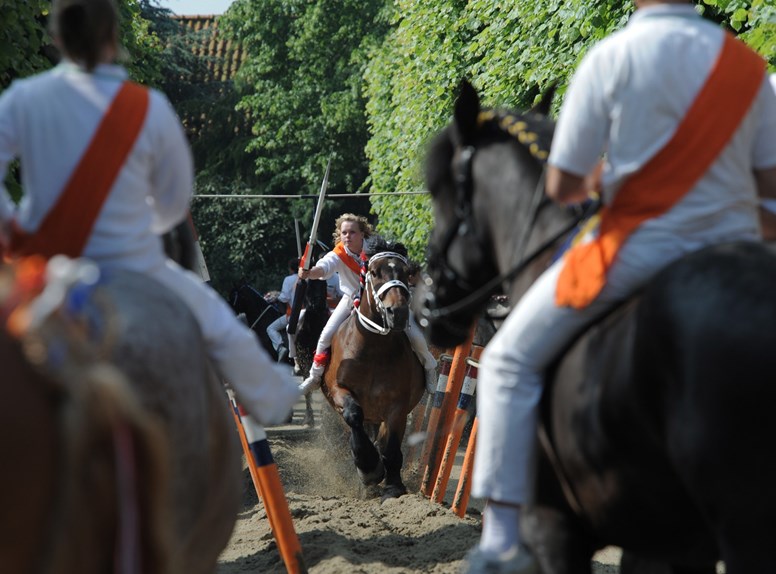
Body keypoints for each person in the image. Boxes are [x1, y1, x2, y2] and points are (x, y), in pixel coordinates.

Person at [464, 1, 776, 573]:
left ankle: (501, 543)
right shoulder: (746, 64)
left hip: (641, 246)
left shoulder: (612, 57)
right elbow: (770, 183)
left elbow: (563, 186)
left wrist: (609, 177)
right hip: (737, 245)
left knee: (506, 361)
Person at [0, 0, 300, 427]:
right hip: (128, 261)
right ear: (112, 38)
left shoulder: (22, 99)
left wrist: (15, 231)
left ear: (57, 38)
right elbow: (173, 203)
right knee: (214, 318)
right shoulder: (148, 107)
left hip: (43, 263)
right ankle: (271, 397)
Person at [297, 213, 438, 394]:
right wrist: (309, 272)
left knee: (416, 337)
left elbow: (396, 261)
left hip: (383, 299)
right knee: (326, 335)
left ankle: (429, 367)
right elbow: (323, 268)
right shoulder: (338, 254)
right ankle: (315, 376)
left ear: (362, 234)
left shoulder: (376, 249)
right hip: (351, 299)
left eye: (352, 232)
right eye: (344, 233)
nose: (347, 236)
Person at [266, 257, 298, 366]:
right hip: (307, 312)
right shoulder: (308, 278)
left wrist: (276, 297)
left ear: (291, 269)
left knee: (270, 329)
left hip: (293, 315)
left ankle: (280, 347)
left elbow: (284, 298)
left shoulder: (288, 279)